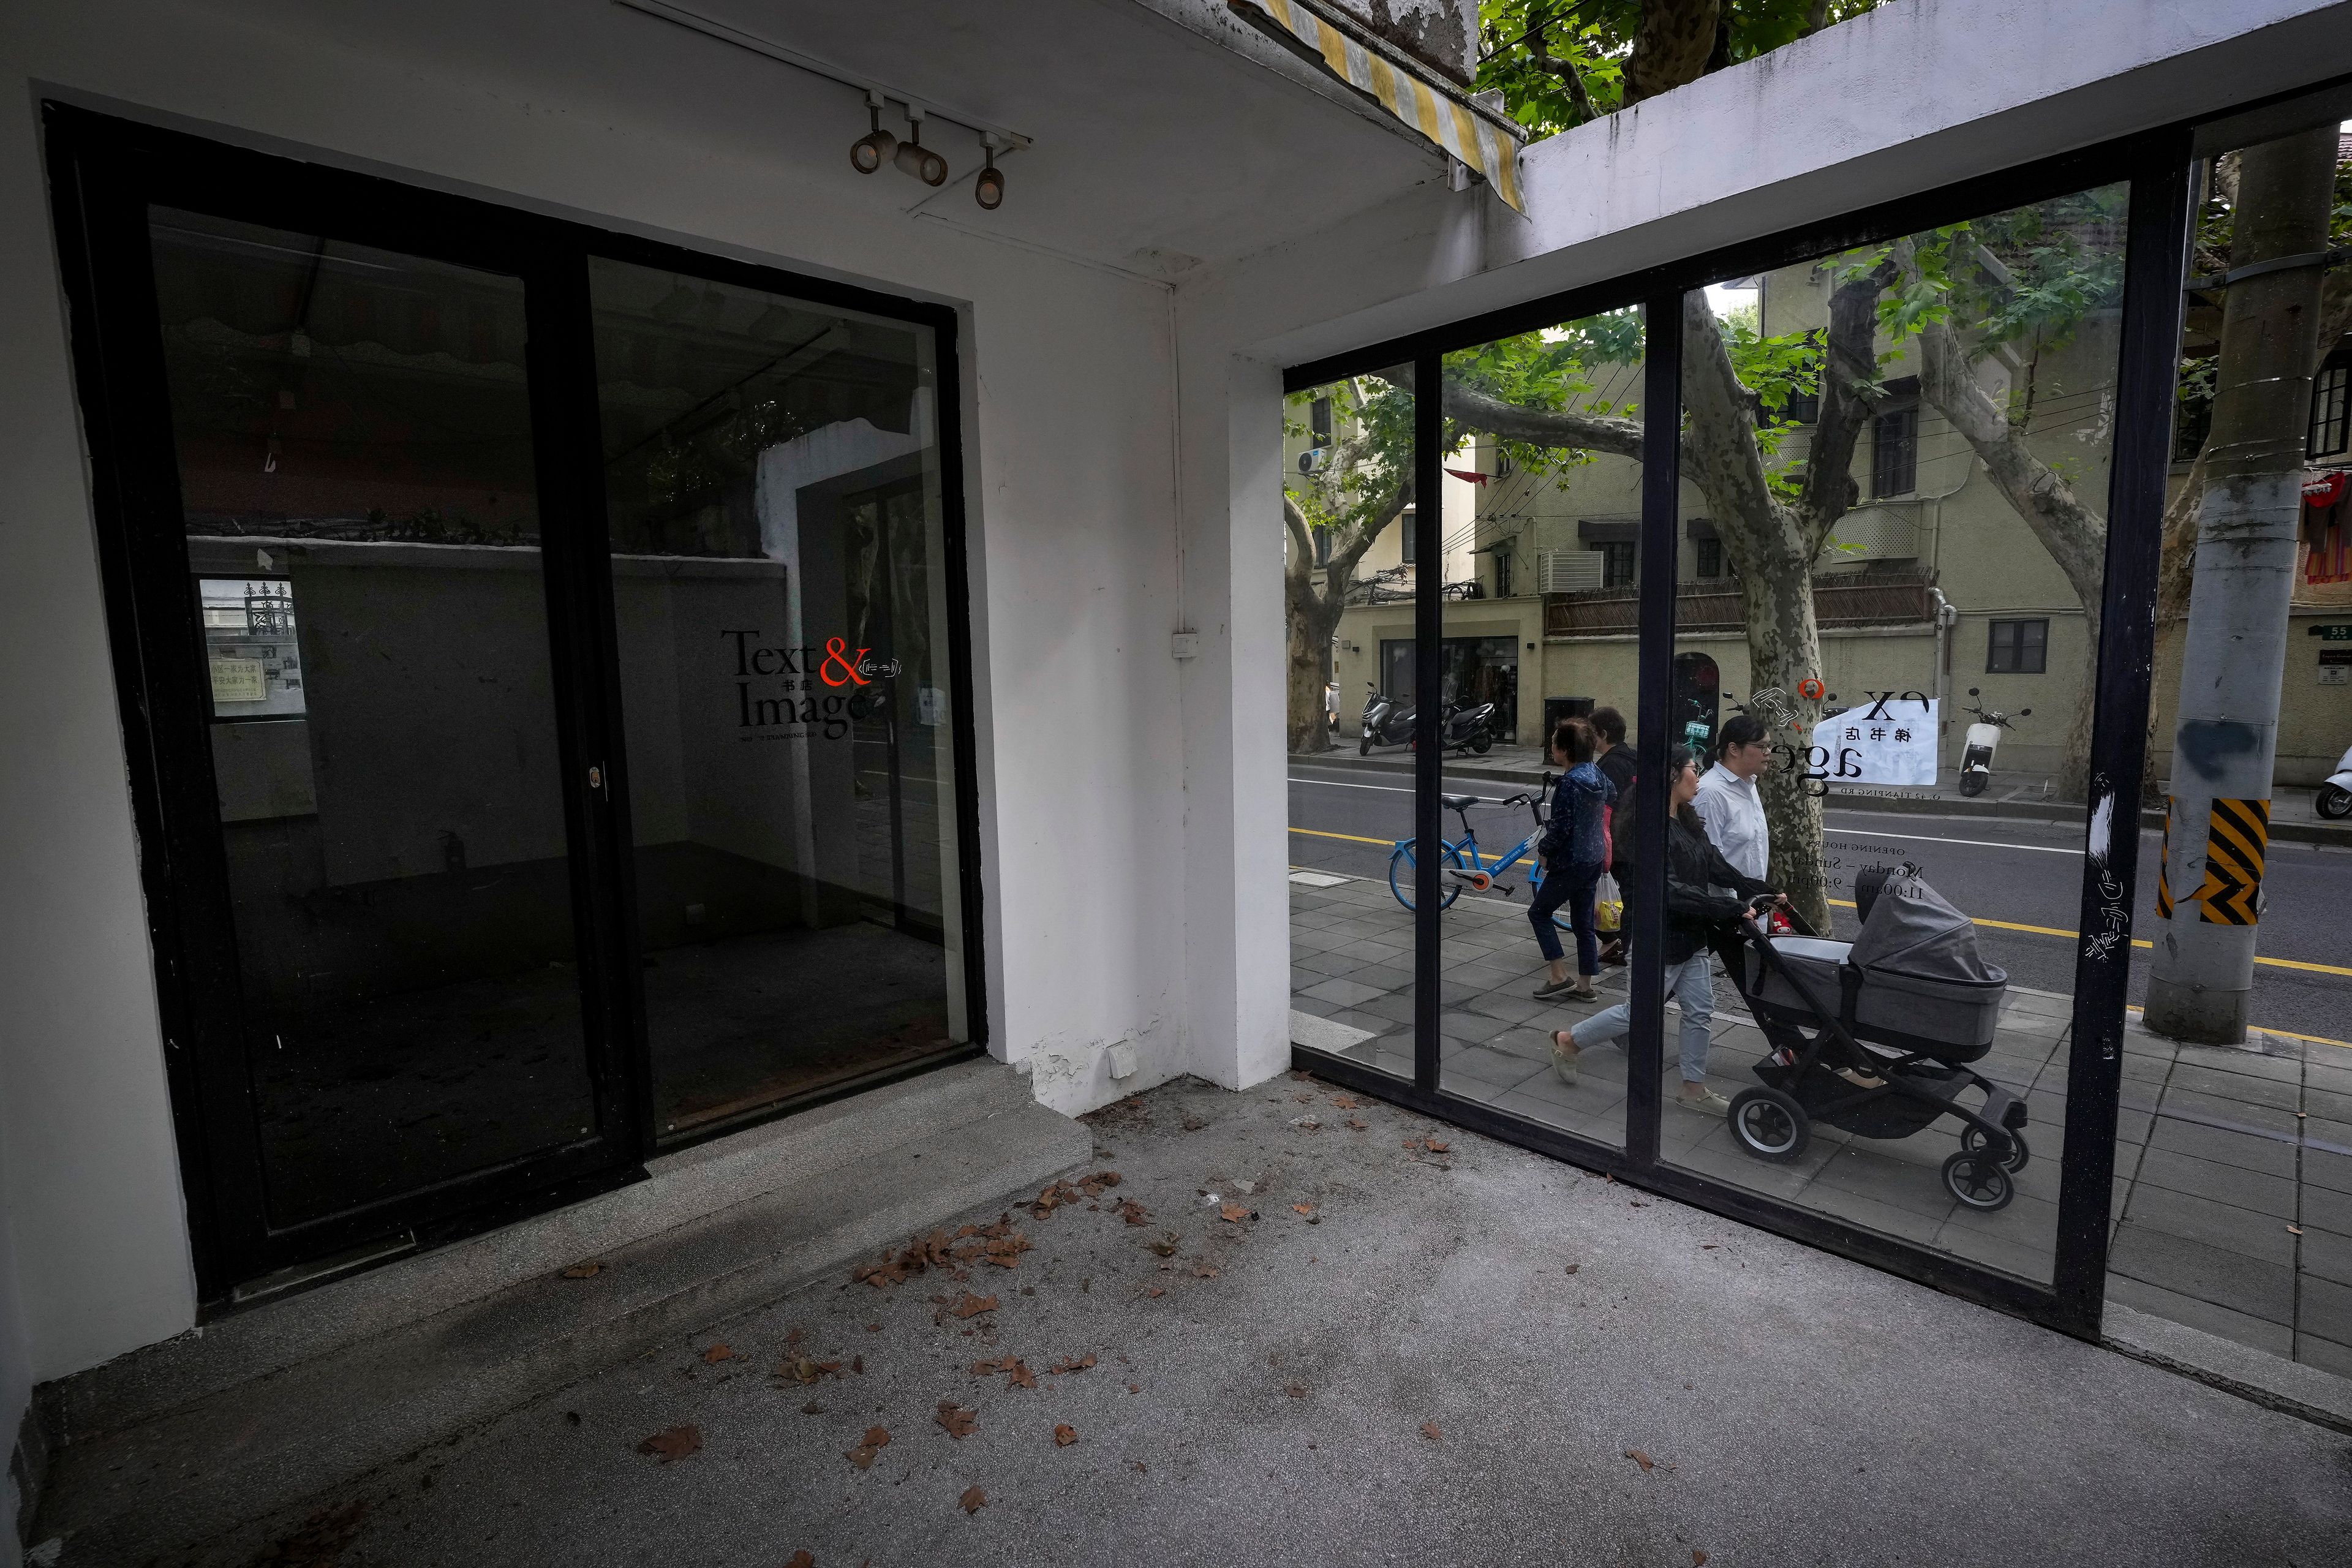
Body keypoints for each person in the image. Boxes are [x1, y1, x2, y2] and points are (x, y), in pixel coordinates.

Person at [1550, 745, 1777, 1115]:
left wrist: (1760, 890)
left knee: (1700, 1010)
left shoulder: (1687, 820)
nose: (1699, 777)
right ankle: (1567, 1041)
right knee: (1639, 1012)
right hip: (1656, 935)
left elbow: (1717, 867)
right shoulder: (1647, 829)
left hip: (1692, 934)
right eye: (1694, 769)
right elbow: (1669, 891)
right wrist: (1732, 907)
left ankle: (1693, 1088)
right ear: (1672, 774)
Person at [1529, 717, 1615, 1002]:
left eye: (1555, 742)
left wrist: (1545, 851)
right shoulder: (1598, 774)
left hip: (1571, 861)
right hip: (1594, 858)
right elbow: (1613, 795)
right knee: (1583, 924)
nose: (1552, 745)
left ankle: (1558, 975)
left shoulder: (1569, 784)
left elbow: (1561, 826)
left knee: (1539, 913)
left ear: (1564, 751)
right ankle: (1585, 985)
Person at [1694, 712, 1773, 881]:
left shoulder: (1749, 784)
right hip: (1725, 902)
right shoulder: (1710, 792)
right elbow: (1707, 862)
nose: (1768, 752)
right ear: (1734, 749)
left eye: (1769, 746)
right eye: (1761, 747)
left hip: (1750, 899)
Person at [1589, 707, 1637, 967]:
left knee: (1618, 899)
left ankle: (1620, 946)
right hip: (1635, 839)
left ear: (1603, 734)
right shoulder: (1632, 756)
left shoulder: (1607, 765)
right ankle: (1621, 944)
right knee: (1627, 896)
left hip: (1617, 842)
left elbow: (1604, 808)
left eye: (1592, 733)